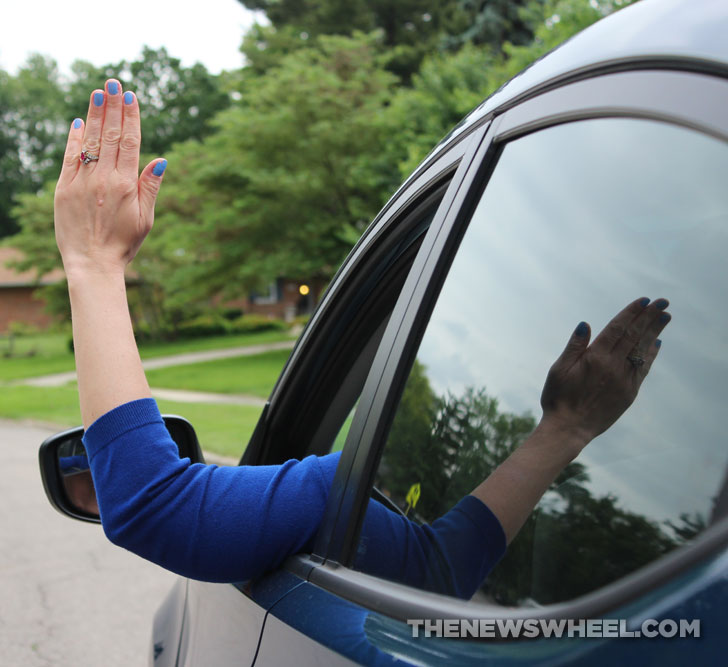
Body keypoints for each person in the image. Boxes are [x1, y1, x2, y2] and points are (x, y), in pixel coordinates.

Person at [52, 79, 672, 597]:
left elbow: (150, 504)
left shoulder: (331, 498)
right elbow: (446, 565)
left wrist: (93, 263)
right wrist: (565, 428)